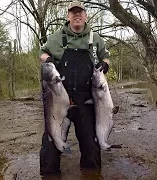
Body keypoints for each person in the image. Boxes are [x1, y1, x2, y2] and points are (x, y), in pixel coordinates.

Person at [39, 1, 110, 175]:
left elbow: (107, 58)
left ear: (86, 16)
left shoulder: (96, 39)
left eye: (80, 12)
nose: (77, 15)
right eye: (73, 13)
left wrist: (105, 65)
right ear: (68, 16)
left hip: (86, 101)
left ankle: (91, 175)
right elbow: (41, 53)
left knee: (91, 148)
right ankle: (49, 175)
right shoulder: (56, 37)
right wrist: (47, 60)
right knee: (50, 145)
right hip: (58, 100)